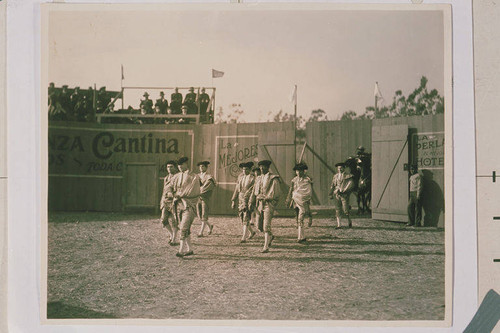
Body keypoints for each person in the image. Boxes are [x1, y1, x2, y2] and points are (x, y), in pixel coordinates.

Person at [164, 157, 201, 258]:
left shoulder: (194, 177)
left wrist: (179, 194)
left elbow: (192, 191)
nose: (180, 167)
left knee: (184, 227)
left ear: (186, 164)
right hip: (178, 205)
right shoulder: (176, 176)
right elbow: (168, 186)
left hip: (189, 205)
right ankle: (190, 249)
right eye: (179, 165)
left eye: (182, 165)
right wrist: (171, 193)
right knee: (184, 227)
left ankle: (181, 250)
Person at [250, 160, 280, 253]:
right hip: (259, 204)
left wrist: (268, 198)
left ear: (268, 168)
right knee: (259, 226)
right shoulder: (258, 178)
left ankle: (266, 246)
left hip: (268, 203)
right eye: (261, 167)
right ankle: (270, 236)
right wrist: (251, 201)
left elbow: (275, 193)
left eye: (264, 167)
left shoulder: (273, 178)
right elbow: (254, 191)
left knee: (266, 225)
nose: (262, 169)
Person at [285, 162, 313, 243]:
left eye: (300, 171)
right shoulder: (294, 180)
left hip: (304, 200)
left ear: (304, 171)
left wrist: (305, 198)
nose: (298, 173)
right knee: (297, 217)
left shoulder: (307, 180)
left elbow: (309, 191)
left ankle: (300, 237)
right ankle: (302, 236)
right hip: (295, 200)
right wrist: (288, 198)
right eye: (297, 171)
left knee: (301, 217)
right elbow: (291, 189)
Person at [231, 162, 257, 243]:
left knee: (246, 216)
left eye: (246, 169)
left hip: (248, 199)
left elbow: (254, 191)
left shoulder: (253, 178)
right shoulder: (240, 177)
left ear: (250, 169)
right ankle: (252, 232)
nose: (244, 171)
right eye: (243, 169)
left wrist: (251, 201)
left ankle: (244, 237)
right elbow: (236, 189)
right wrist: (233, 200)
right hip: (240, 198)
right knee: (242, 217)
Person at [329, 162, 354, 229]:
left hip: (344, 195)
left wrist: (344, 190)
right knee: (337, 209)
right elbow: (333, 185)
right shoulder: (335, 176)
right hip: (336, 194)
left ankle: (349, 221)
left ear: (344, 168)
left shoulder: (348, 176)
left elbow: (350, 184)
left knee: (345, 209)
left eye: (341, 168)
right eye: (338, 168)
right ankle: (339, 225)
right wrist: (330, 193)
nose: (340, 169)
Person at [159, 160, 179, 245]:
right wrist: (162, 202)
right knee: (164, 220)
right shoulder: (166, 178)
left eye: (171, 167)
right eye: (168, 167)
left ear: (175, 167)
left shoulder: (178, 177)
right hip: (166, 202)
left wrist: (174, 196)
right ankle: (171, 234)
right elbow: (164, 191)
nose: (169, 168)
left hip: (175, 202)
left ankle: (174, 239)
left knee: (174, 222)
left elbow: (180, 190)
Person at [196, 161, 216, 237]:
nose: (201, 168)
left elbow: (208, 187)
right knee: (200, 215)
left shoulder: (209, 176)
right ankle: (210, 226)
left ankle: (201, 232)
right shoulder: (197, 176)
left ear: (206, 168)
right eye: (200, 166)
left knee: (204, 214)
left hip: (205, 197)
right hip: (198, 197)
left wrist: (199, 191)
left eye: (203, 166)